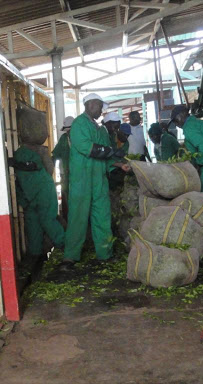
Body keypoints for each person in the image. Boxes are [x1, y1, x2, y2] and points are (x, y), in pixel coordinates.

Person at [63, 93, 130, 266]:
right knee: (78, 217)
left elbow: (106, 156)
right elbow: (87, 147)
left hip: (99, 180)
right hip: (82, 180)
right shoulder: (79, 124)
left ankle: (105, 254)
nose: (101, 110)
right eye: (100, 106)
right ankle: (70, 256)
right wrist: (110, 151)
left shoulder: (101, 130)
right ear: (90, 104)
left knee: (102, 216)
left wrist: (119, 164)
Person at [13, 145, 65, 258]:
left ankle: (39, 254)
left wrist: (25, 202)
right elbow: (47, 168)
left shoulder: (19, 158)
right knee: (44, 222)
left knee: (39, 224)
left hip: (33, 195)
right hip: (38, 193)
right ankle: (63, 246)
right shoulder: (35, 158)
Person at [52, 116, 74, 220]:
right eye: (67, 130)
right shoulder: (64, 139)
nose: (69, 132)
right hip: (65, 174)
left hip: (80, 174)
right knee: (66, 195)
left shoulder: (80, 138)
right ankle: (67, 218)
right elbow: (55, 154)